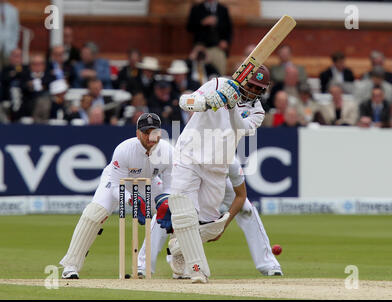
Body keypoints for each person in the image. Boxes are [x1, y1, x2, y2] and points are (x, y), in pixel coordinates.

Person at [166, 65, 269, 283]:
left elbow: (240, 128)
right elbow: (185, 101)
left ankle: (178, 248)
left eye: (258, 88)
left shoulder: (258, 112)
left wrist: (230, 106)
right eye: (251, 85)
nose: (253, 91)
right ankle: (197, 269)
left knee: (212, 227)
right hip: (190, 155)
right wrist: (206, 102)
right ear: (244, 79)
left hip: (218, 165)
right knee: (185, 214)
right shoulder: (218, 84)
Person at [60, 113, 173, 279]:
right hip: (118, 183)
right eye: (146, 132)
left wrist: (166, 201)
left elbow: (171, 185)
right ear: (138, 134)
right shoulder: (124, 149)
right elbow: (114, 185)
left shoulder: (168, 151)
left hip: (147, 182)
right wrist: (131, 199)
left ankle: (148, 266)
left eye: (154, 132)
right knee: (94, 213)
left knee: (173, 211)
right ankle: (70, 266)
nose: (150, 137)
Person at [136, 157, 283, 278]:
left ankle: (268, 264)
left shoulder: (231, 161)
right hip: (190, 180)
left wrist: (222, 226)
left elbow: (240, 196)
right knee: (167, 210)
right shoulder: (188, 157)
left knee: (247, 209)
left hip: (219, 185)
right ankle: (144, 265)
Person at [186, 0, 232, 76]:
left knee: (219, 74)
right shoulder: (197, 8)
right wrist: (202, 22)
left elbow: (229, 29)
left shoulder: (223, 9)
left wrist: (225, 41)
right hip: (200, 47)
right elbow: (189, 27)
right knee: (200, 74)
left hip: (217, 48)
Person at [0, 0, 20, 70]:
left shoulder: (13, 10)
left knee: (8, 68)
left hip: (9, 45)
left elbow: (16, 29)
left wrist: (14, 44)